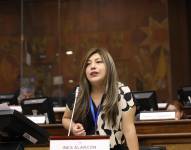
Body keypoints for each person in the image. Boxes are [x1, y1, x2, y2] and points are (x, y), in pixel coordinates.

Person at [62, 48, 139, 150]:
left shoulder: (123, 93)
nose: (92, 66)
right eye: (88, 64)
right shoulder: (78, 93)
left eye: (98, 62)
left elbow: (129, 130)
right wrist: (73, 127)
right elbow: (66, 118)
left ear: (109, 67)